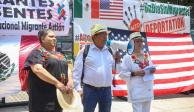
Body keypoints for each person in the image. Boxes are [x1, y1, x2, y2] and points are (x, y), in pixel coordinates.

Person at [24, 29, 73, 112]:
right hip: (42, 101)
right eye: (51, 36)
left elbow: (68, 68)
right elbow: (38, 69)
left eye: (55, 37)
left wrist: (70, 81)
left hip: (59, 100)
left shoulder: (60, 54)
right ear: (42, 39)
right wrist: (57, 83)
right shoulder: (37, 53)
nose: (54, 38)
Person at [73, 24, 117, 112]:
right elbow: (77, 71)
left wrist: (118, 61)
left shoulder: (110, 51)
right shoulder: (85, 50)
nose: (105, 37)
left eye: (106, 34)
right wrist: (78, 88)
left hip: (106, 91)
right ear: (94, 37)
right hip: (90, 91)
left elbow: (115, 68)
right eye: (102, 34)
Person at [119, 32, 156, 112]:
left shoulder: (146, 55)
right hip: (136, 91)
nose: (140, 43)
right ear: (132, 43)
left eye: (141, 41)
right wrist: (134, 73)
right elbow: (122, 74)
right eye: (137, 41)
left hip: (147, 89)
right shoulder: (127, 57)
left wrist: (153, 70)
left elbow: (151, 66)